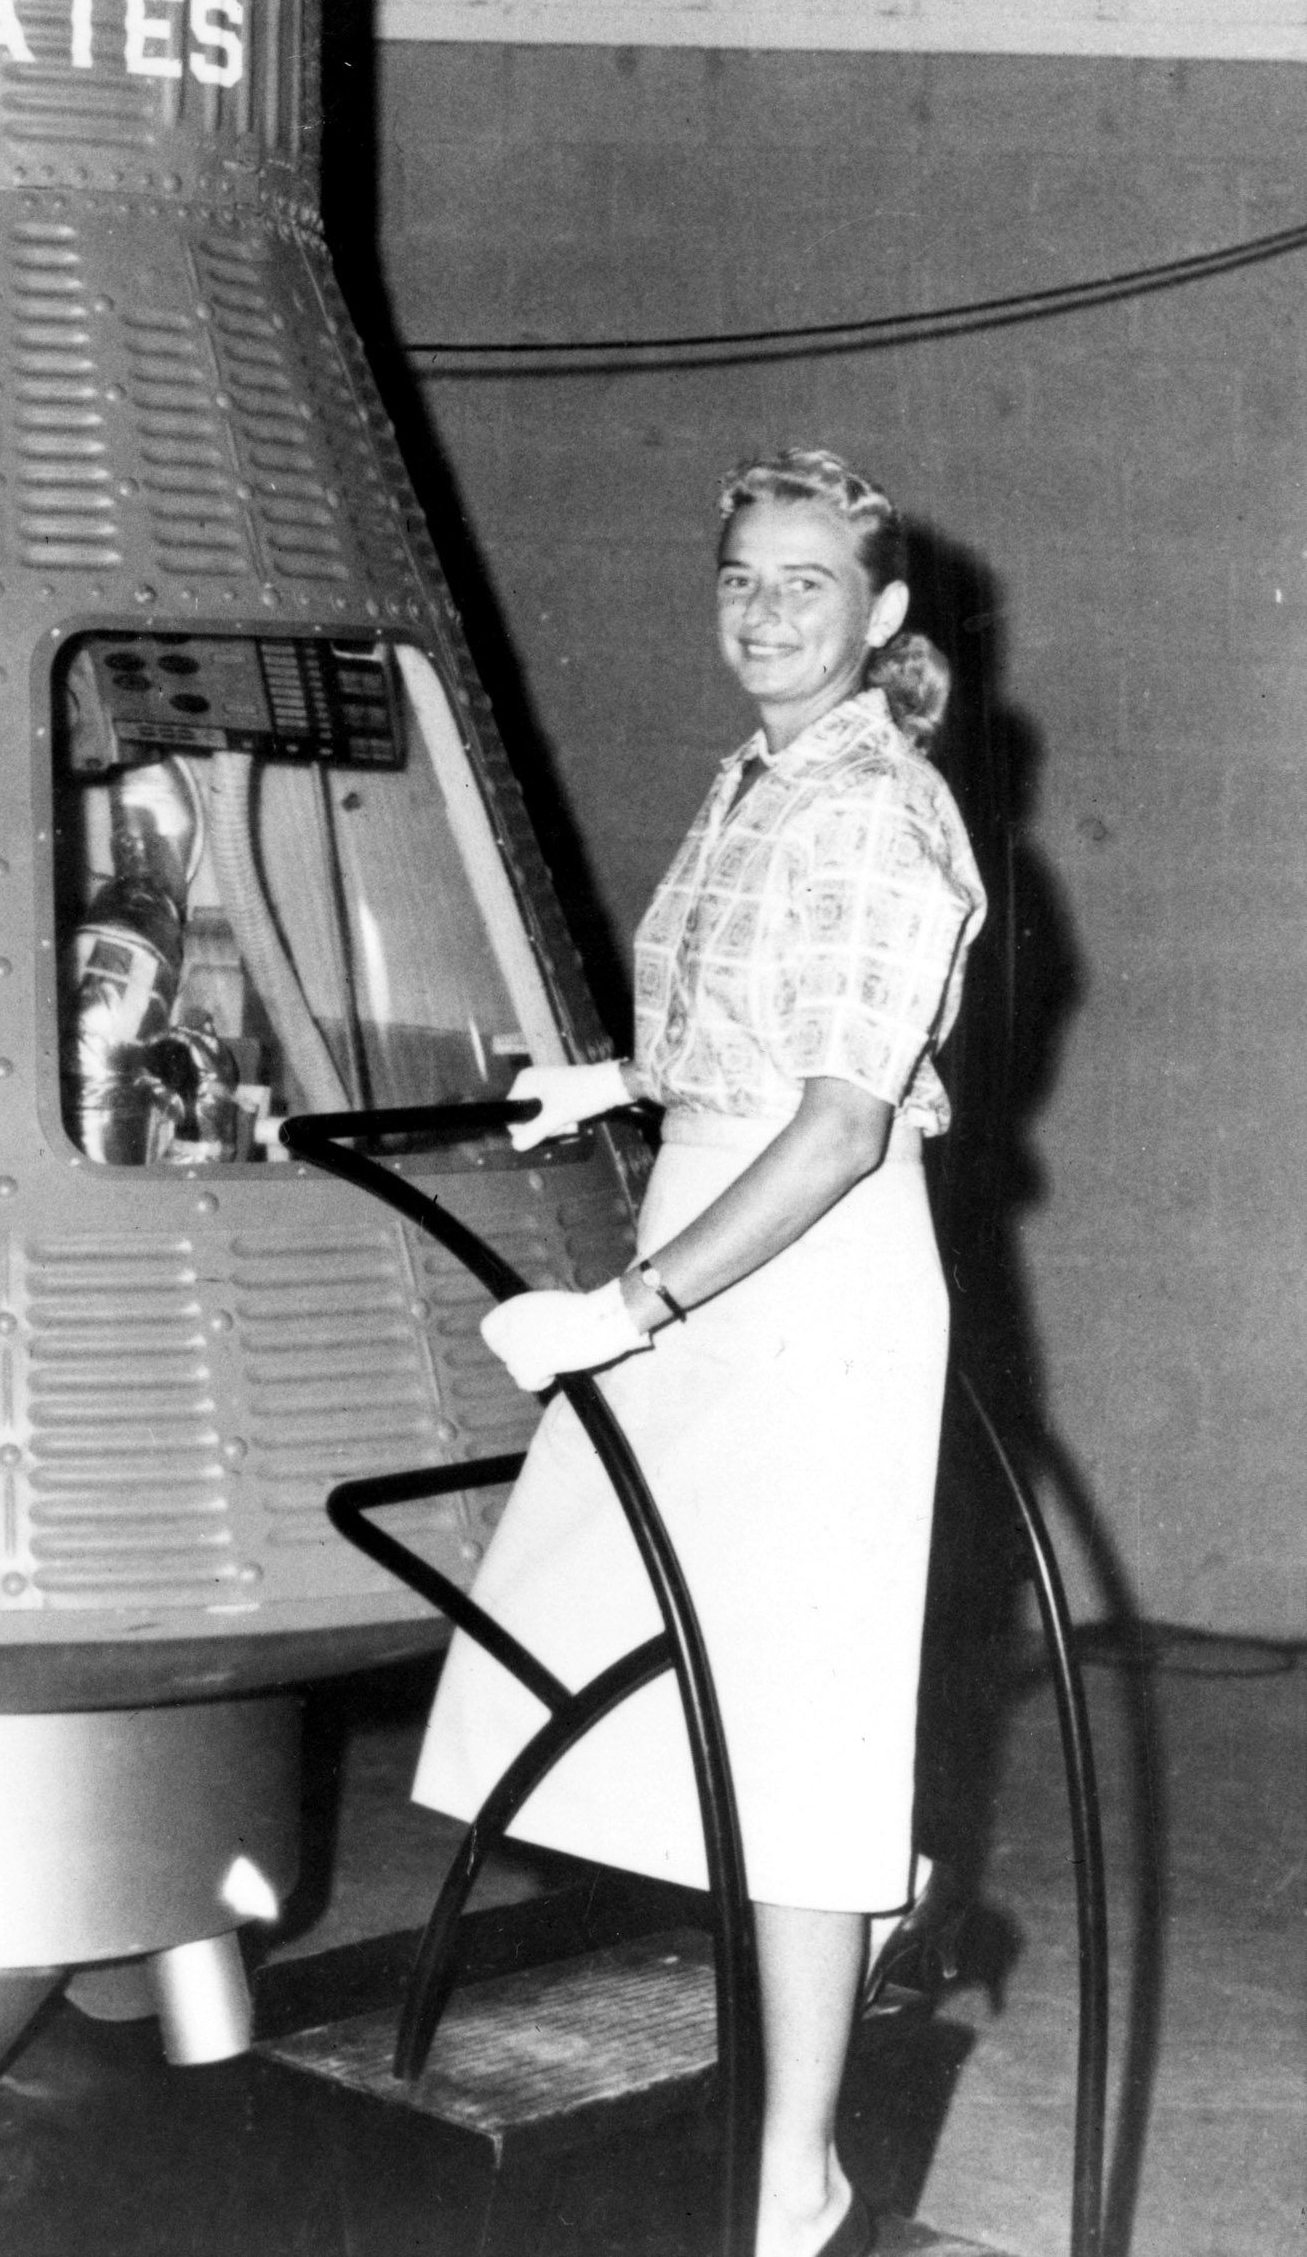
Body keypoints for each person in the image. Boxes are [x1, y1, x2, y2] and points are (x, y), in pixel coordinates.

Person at [412, 448, 986, 2257]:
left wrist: (635, 1306)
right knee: (633, 1673)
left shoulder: (880, 808)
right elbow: (746, 1028)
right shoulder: (754, 780)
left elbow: (832, 1125)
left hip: (801, 1287)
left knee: (784, 1750)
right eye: (741, 578)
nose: (761, 611)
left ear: (879, 616)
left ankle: (794, 2178)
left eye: (803, 584)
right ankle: (885, 1893)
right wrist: (624, 1077)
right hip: (709, 1229)